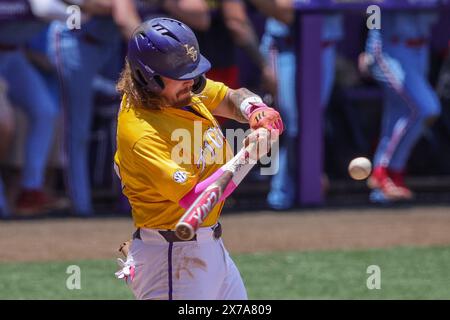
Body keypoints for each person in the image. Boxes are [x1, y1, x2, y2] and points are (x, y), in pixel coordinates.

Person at [113, 17, 283, 300]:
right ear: (147, 78)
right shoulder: (142, 133)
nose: (190, 81)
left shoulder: (177, 90)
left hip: (211, 250)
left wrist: (256, 110)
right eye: (180, 75)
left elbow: (230, 97)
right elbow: (195, 200)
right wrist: (250, 154)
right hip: (172, 261)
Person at [249, 0, 343, 209]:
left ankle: (298, 185)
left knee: (312, 120)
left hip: (324, 46)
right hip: (285, 46)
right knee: (291, 120)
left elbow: (366, 8)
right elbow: (285, 12)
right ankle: (284, 191)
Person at [0, 0, 85, 215]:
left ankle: (31, 189)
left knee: (45, 112)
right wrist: (79, 12)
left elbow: (75, 14)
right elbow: (44, 7)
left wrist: (81, 7)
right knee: (4, 123)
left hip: (14, 54)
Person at [359, 10, 441, 202]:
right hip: (390, 48)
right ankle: (382, 171)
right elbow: (372, 9)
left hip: (420, 49)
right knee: (425, 108)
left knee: (399, 113)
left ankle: (391, 177)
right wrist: (363, 43)